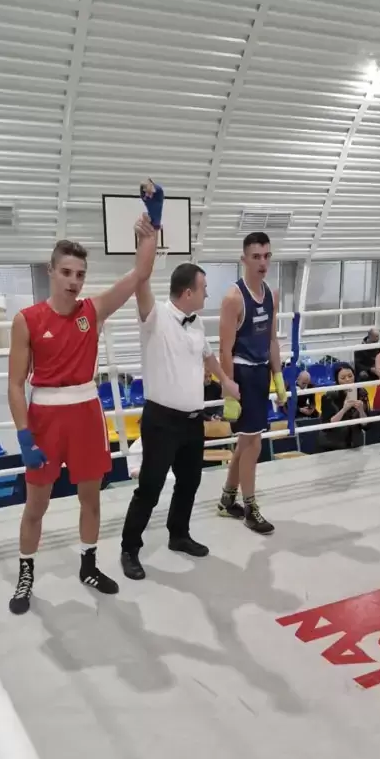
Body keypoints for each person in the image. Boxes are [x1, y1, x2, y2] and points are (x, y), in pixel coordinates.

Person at [7, 208, 159, 615]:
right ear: (51, 271)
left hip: (87, 413)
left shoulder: (93, 310)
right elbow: (15, 384)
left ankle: (88, 565)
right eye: (66, 272)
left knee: (90, 498)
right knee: (36, 505)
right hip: (45, 417)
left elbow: (140, 273)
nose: (73, 281)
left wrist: (151, 231)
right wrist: (23, 434)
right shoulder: (27, 320)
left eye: (79, 274)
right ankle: (26, 573)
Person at [120, 264, 240, 581]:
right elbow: (141, 285)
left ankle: (179, 534)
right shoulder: (156, 316)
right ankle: (129, 549)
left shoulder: (197, 322)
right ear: (188, 292)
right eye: (204, 288)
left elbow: (208, 356)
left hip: (192, 421)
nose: (207, 294)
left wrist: (226, 381)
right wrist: (146, 252)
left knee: (189, 482)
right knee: (150, 487)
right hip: (161, 420)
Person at [217, 232, 287, 535]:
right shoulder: (233, 298)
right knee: (253, 443)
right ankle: (250, 507)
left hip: (261, 374)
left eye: (267, 256)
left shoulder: (272, 294)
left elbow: (271, 339)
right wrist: (229, 390)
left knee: (246, 441)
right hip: (242, 373)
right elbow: (224, 349)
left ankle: (227, 499)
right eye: (256, 256)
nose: (263, 262)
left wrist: (278, 377)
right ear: (244, 259)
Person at [319, 364, 370, 450]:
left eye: (350, 376)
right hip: (332, 444)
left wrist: (361, 410)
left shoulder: (361, 393)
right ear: (337, 380)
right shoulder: (329, 396)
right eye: (343, 378)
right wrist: (344, 409)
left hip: (355, 444)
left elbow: (366, 426)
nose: (348, 380)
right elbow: (326, 426)